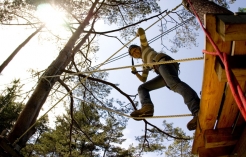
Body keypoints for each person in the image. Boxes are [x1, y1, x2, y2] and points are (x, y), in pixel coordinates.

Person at [129, 27, 200, 131]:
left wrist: (137, 34)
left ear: (139, 48)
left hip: (163, 61)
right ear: (134, 57)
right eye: (133, 53)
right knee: (142, 88)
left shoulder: (144, 47)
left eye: (135, 49)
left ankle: (197, 110)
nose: (135, 52)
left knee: (174, 85)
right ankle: (147, 107)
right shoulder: (144, 64)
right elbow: (143, 79)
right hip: (161, 71)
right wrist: (135, 73)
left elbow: (141, 30)